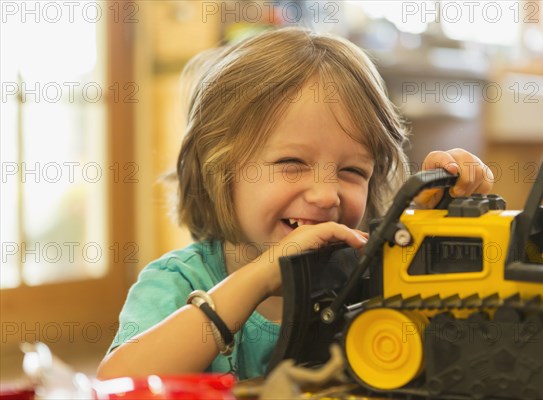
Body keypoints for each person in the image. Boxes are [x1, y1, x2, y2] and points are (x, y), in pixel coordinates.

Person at [96, 27, 493, 380]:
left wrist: (435, 221)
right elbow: (117, 383)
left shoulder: (369, 272)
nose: (325, 195)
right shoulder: (179, 281)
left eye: (352, 171)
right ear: (220, 170)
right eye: (291, 163)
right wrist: (262, 276)